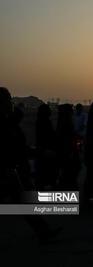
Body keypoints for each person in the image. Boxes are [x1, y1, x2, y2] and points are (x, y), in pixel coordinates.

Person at [0, 87, 62, 243]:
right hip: (7, 170)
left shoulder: (9, 122)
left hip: (12, 170)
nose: (10, 102)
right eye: (7, 99)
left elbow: (20, 147)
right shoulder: (5, 124)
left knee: (23, 201)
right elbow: (15, 147)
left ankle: (43, 231)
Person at [56, 104, 81, 190]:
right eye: (71, 111)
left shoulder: (62, 124)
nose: (73, 113)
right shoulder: (66, 125)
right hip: (69, 156)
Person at [35, 104, 59, 189]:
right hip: (46, 152)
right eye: (48, 110)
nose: (50, 111)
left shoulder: (40, 121)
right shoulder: (45, 122)